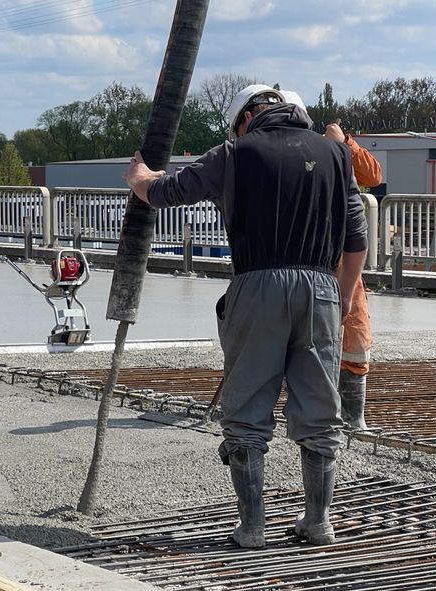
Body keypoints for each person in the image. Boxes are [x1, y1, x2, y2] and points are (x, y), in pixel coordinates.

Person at [124, 84, 367, 548]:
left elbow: (168, 191)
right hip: (321, 290)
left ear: (245, 118)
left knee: (248, 410)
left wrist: (139, 178)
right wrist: (344, 298)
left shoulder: (234, 152)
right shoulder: (337, 155)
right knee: (320, 411)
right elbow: (356, 239)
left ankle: (252, 528)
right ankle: (318, 523)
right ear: (296, 113)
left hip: (257, 286)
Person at [324, 120, 381, 431]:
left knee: (355, 331)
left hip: (343, 254)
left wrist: (346, 142)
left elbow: (373, 175)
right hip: (312, 254)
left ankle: (353, 417)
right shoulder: (304, 152)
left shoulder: (343, 151)